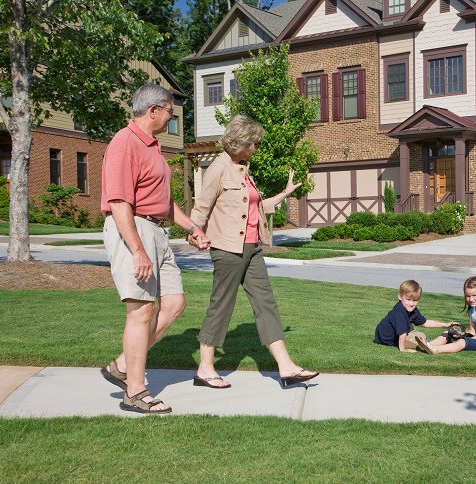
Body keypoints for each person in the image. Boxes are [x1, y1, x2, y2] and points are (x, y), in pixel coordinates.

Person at [100, 83, 210, 413]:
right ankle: (134, 391)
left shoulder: (153, 147)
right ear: (154, 110)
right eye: (170, 114)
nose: (171, 119)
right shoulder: (125, 143)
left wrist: (193, 227)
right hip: (134, 228)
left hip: (157, 230)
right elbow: (119, 201)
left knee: (174, 303)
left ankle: (122, 364)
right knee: (141, 309)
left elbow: (163, 200)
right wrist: (137, 250)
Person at [187, 114, 318, 389]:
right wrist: (194, 232)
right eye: (254, 144)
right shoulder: (219, 168)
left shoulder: (242, 169)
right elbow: (201, 207)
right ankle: (205, 368)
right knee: (221, 304)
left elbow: (254, 207)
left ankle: (286, 366)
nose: (256, 149)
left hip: (252, 247)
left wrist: (285, 193)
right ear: (242, 142)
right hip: (227, 249)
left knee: (265, 302)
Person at [415, 277, 476, 355]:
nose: (471, 299)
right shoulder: (472, 310)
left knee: (462, 342)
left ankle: (436, 349)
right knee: (448, 333)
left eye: (474, 295)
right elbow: (472, 331)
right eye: (468, 296)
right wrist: (460, 334)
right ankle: (426, 345)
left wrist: (468, 339)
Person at [374, 279, 451, 352]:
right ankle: (422, 343)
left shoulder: (413, 311)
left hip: (394, 333)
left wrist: (444, 324)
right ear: (400, 297)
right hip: (385, 338)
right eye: (408, 299)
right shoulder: (399, 312)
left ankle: (419, 340)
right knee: (415, 337)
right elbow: (402, 333)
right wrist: (403, 350)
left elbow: (425, 322)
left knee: (420, 334)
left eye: (415, 300)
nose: (411, 304)